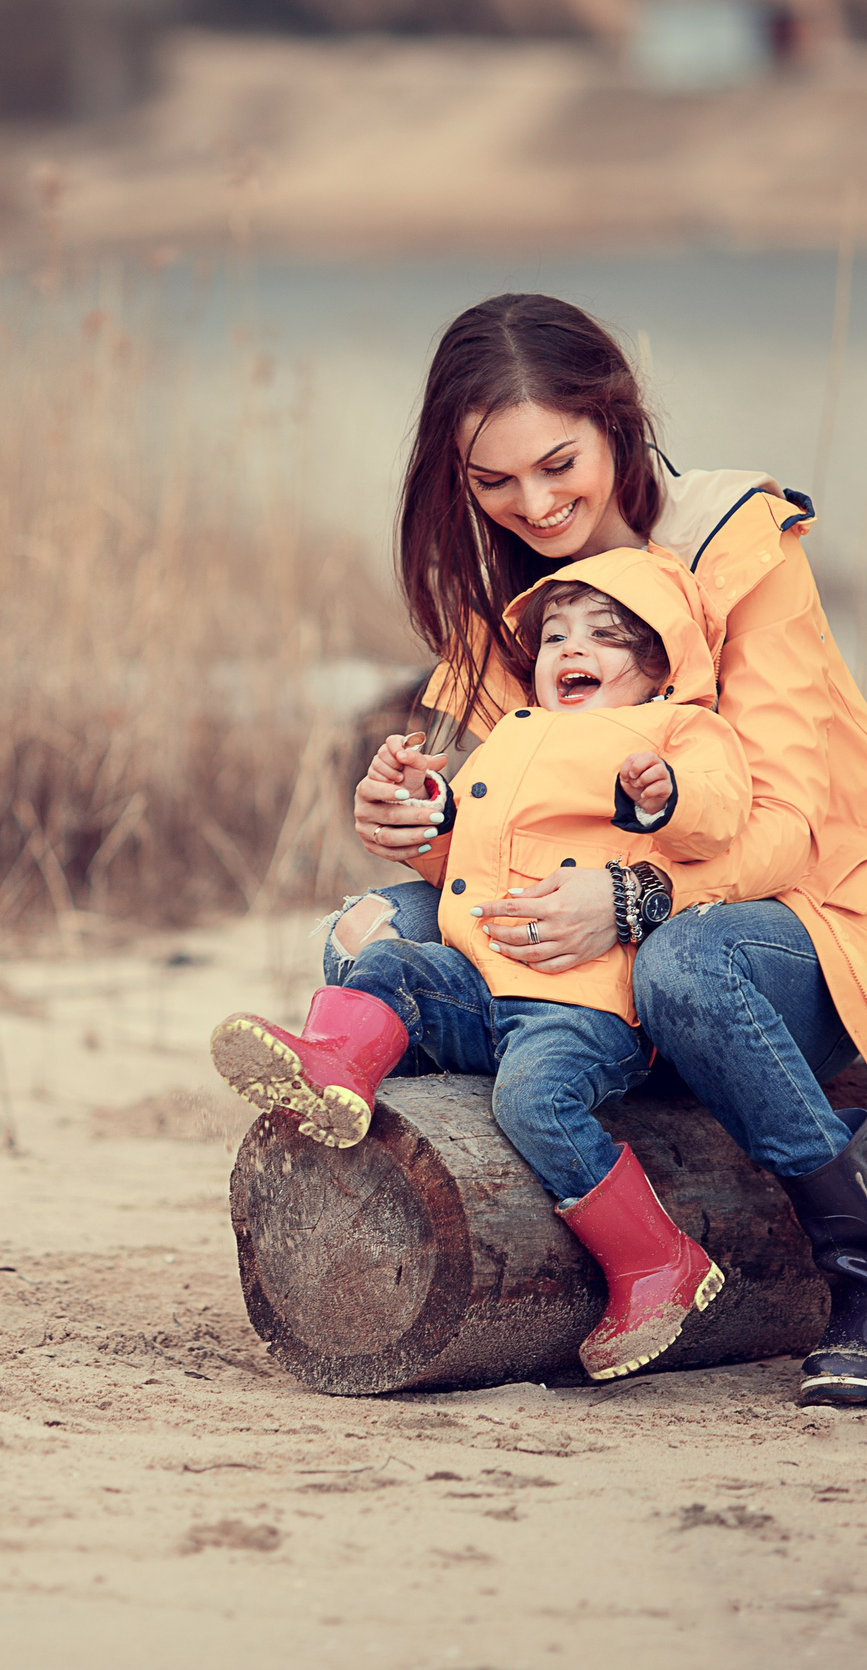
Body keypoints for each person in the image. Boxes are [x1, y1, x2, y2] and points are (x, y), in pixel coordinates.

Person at [322, 293, 867, 1408]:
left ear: (615, 421)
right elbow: (515, 847)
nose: (533, 505)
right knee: (372, 925)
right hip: (598, 967)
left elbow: (783, 827)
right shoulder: (511, 606)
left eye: (556, 464)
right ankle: (502, 1160)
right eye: (493, 483)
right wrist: (420, 834)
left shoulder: (736, 547)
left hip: (806, 933)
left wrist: (634, 901)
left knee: (691, 961)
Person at [214, 548, 753, 1382]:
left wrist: (667, 792)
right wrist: (422, 804)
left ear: (658, 667)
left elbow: (723, 812)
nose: (573, 649)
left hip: (583, 1003)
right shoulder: (517, 737)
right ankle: (335, 1069)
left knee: (533, 1097)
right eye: (557, 635)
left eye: (606, 637)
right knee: (396, 963)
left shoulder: (677, 731)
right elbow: (470, 845)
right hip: (483, 977)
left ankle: (657, 1262)